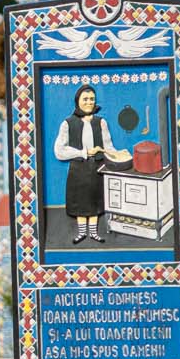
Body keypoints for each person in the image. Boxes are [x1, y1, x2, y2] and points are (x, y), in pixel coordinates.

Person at [52, 83, 130, 243]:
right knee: (81, 202)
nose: (89, 102)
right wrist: (84, 152)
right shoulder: (68, 123)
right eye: (85, 99)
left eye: (92, 99)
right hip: (78, 169)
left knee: (94, 202)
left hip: (97, 168)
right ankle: (82, 233)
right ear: (78, 100)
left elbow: (108, 146)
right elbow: (59, 151)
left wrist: (117, 153)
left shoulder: (101, 122)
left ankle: (93, 233)